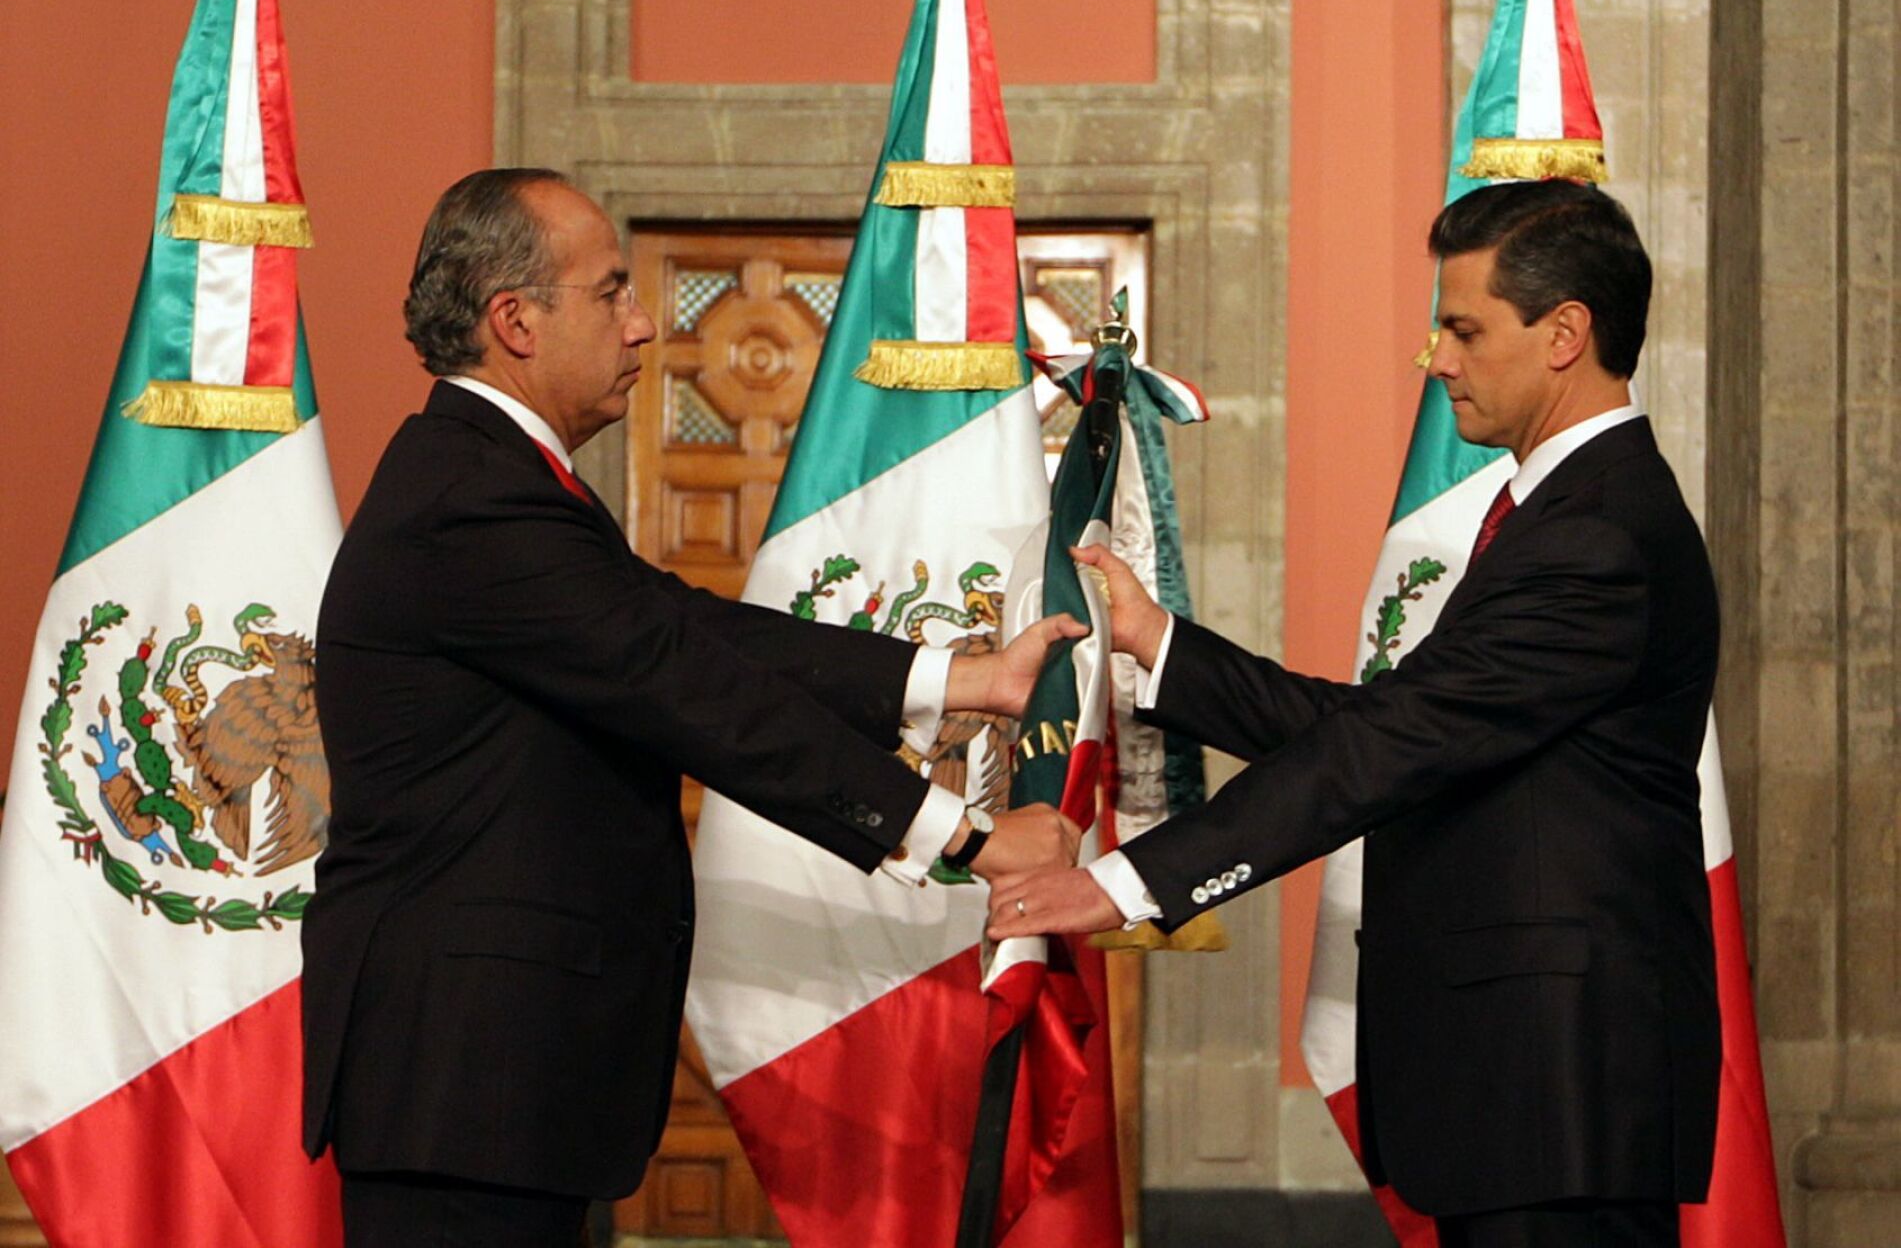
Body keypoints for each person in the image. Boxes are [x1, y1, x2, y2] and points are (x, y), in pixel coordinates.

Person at [302, 167, 1083, 1247]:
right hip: (464, 1074)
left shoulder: (496, 479)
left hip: (497, 1078)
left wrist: (958, 679)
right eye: (612, 290)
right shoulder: (470, 500)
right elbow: (691, 691)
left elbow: (686, 632)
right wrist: (976, 840)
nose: (643, 325)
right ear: (514, 321)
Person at [989, 180, 1720, 1248]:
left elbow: (1390, 744)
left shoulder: (1595, 535)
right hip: (1526, 1086)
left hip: (1557, 1085)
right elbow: (1399, 725)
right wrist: (1163, 648)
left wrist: (1121, 883)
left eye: (1465, 330)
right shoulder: (1565, 512)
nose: (1437, 360)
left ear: (1564, 333)